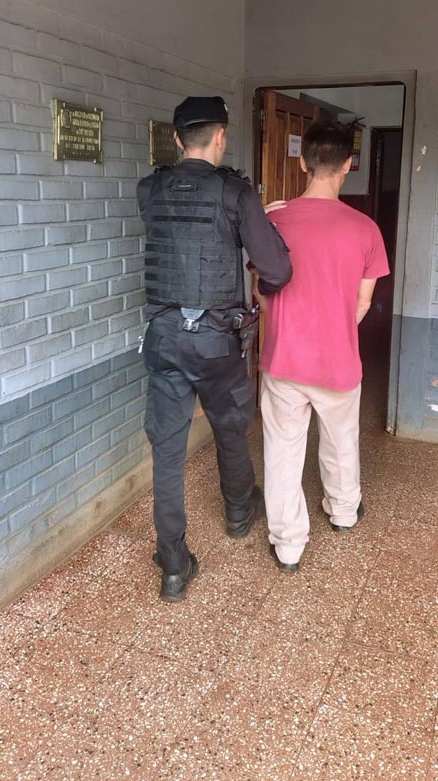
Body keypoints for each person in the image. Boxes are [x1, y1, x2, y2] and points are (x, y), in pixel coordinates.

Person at [137, 96, 292, 602]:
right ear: (221, 136)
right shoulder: (236, 193)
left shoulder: (149, 189)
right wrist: (260, 226)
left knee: (167, 451)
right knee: (229, 426)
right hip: (217, 340)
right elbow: (278, 270)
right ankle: (239, 512)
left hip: (164, 337)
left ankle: (173, 562)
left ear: (177, 139)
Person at [253, 118, 389, 573]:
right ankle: (343, 511)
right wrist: (332, 329)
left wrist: (286, 322)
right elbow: (362, 303)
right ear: (348, 164)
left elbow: (260, 293)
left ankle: (288, 545)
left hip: (283, 359)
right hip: (338, 361)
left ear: (302, 161)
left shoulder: (273, 221)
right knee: (341, 440)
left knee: (282, 450)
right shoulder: (366, 229)